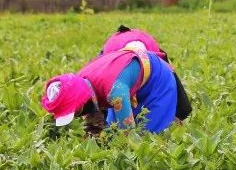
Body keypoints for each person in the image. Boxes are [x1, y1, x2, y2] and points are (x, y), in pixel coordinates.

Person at [41, 41, 183, 135]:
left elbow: (128, 135)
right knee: (112, 129)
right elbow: (96, 125)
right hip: (127, 78)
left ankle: (177, 127)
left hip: (159, 77)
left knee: (149, 135)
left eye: (75, 111)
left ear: (81, 101)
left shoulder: (115, 93)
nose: (78, 116)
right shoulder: (79, 83)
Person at [101, 25, 193, 121]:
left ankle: (179, 113)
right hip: (116, 48)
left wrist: (180, 112)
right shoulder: (110, 58)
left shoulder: (156, 61)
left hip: (146, 45)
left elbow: (170, 81)